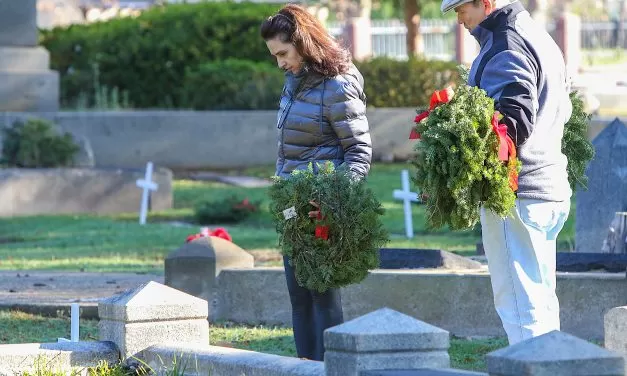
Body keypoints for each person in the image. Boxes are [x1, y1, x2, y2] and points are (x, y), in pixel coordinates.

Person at [441, 0, 573, 344]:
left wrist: (463, 159)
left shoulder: (506, 42)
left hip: (516, 194)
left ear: (485, 4)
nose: (460, 20)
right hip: (548, 185)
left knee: (521, 308)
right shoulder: (535, 34)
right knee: (541, 305)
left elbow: (511, 121)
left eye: (461, 10)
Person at [260, 4, 372, 360]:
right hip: (292, 207)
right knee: (299, 297)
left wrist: (332, 201)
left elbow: (358, 152)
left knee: (323, 296)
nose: (279, 62)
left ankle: (330, 368)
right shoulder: (294, 84)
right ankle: (303, 368)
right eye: (274, 56)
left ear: (303, 43)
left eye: (283, 53)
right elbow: (288, 150)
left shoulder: (337, 85)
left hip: (321, 208)